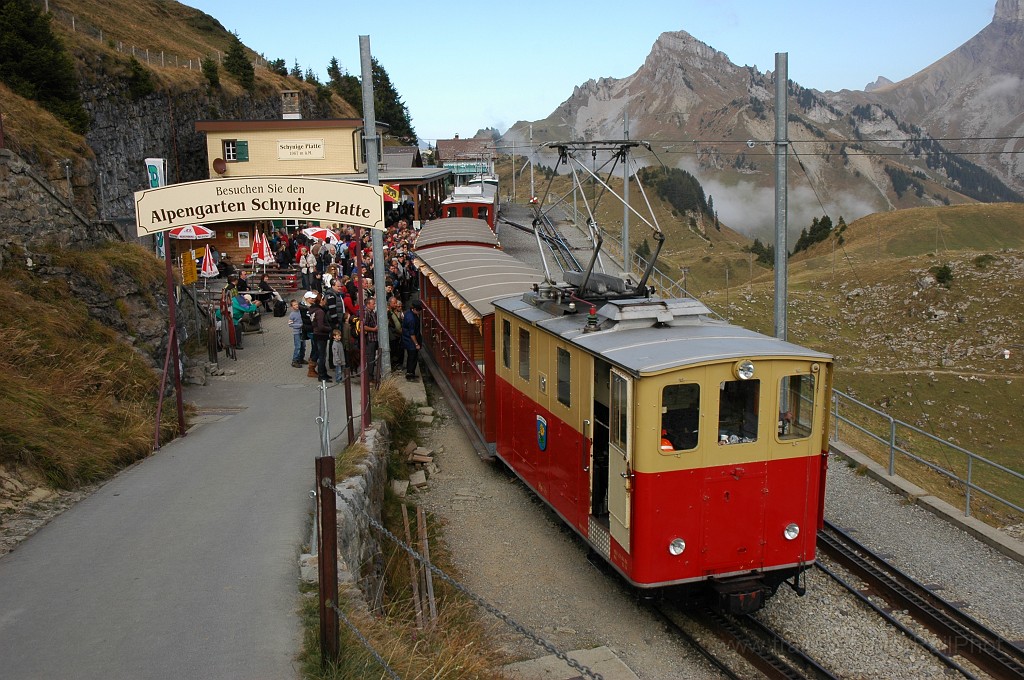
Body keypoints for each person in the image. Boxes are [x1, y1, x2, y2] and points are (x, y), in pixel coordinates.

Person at [310, 293, 332, 382]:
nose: (326, 301)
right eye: (324, 300)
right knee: (322, 356)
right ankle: (322, 375)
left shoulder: (314, 310)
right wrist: (329, 328)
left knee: (321, 354)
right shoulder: (320, 312)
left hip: (317, 335)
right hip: (321, 335)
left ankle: (324, 373)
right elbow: (321, 326)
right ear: (321, 301)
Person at [402, 299, 422, 381]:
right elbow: (412, 334)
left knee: (412, 357)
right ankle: (410, 374)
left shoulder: (409, 313)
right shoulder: (411, 319)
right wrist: (416, 344)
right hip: (411, 342)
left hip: (408, 340)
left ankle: (412, 373)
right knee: (412, 358)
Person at [362, 296, 379, 382]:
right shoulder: (366, 313)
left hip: (374, 338)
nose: (374, 305)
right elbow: (363, 326)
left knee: (372, 356)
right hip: (370, 338)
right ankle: (369, 377)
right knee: (370, 357)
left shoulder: (372, 312)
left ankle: (371, 375)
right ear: (368, 304)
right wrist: (374, 329)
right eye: (373, 304)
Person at [287, 299, 305, 367]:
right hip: (296, 332)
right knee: (298, 346)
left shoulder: (301, 312)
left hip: (302, 331)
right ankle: (295, 360)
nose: (296, 306)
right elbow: (290, 324)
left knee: (303, 346)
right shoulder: (292, 314)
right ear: (292, 307)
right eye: (294, 305)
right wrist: (299, 325)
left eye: (297, 304)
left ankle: (301, 358)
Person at [388, 297, 404, 370]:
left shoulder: (392, 311)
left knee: (396, 351)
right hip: (392, 335)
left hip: (395, 334)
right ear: (390, 303)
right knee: (393, 351)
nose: (395, 304)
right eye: (394, 303)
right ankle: (393, 366)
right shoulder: (388, 311)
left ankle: (395, 365)